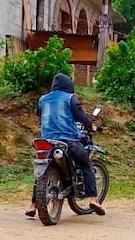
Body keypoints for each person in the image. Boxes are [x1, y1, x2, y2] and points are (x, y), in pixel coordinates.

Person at [27, 73, 104, 217]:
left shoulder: (43, 99)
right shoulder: (70, 98)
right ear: (69, 85)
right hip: (68, 140)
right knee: (86, 163)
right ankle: (94, 199)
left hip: (47, 141)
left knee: (41, 172)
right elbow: (81, 117)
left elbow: (38, 112)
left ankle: (33, 205)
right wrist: (90, 125)